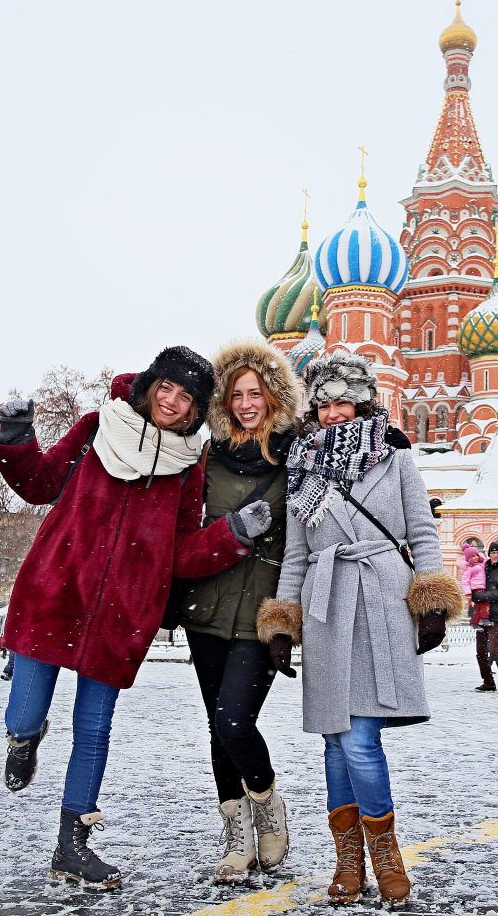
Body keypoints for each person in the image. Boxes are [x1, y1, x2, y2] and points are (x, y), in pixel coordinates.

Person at [0, 346, 269, 889]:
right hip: (55, 591)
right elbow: (39, 484)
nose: (172, 402)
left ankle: (71, 846)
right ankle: (23, 738)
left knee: (94, 732)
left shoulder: (189, 464)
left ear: (196, 410)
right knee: (25, 710)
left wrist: (232, 533)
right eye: (166, 388)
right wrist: (16, 437)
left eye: (187, 397)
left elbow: (182, 550)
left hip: (123, 614)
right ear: (148, 386)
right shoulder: (99, 427)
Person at [256, 353, 462, 908]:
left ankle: (385, 854)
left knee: (361, 739)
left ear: (364, 401)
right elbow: (296, 554)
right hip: (325, 604)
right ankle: (348, 860)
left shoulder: (395, 460)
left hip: (380, 599)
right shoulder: (302, 469)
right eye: (321, 404)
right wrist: (283, 623)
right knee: (333, 739)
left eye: (341, 401)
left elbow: (420, 531)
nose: (331, 414)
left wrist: (433, 602)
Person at [177, 340, 299, 882]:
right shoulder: (207, 456)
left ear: (273, 396)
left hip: (261, 613)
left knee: (234, 720)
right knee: (216, 727)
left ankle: (269, 807)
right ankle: (236, 837)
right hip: (208, 606)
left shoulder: (299, 456)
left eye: (255, 393)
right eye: (236, 395)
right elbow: (179, 521)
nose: (246, 403)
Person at [469, 540, 498, 693]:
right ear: (489, 554)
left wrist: (480, 596)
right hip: (482, 614)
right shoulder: (483, 567)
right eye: (492, 552)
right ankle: (488, 681)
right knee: (481, 651)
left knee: (494, 649)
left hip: (496, 615)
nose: (495, 555)